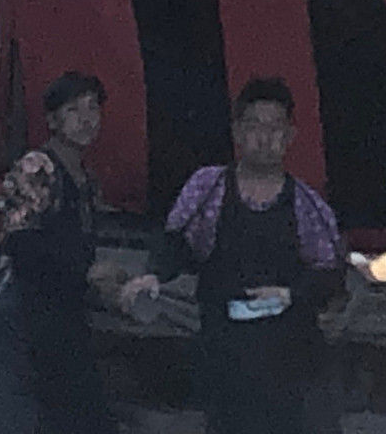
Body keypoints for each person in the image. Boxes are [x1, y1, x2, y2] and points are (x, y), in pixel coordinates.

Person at [122, 77, 344, 434]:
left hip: (287, 354)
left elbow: (330, 274)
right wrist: (153, 275)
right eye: (255, 125)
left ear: (290, 136)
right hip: (223, 346)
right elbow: (176, 243)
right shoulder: (207, 187)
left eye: (275, 128)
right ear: (238, 132)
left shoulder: (307, 204)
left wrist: (290, 295)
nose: (264, 137)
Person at [0, 71, 116, 434]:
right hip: (26, 318)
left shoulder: (87, 179)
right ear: (52, 120)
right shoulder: (38, 168)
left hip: (66, 315)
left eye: (93, 108)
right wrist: (83, 272)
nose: (86, 119)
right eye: (73, 110)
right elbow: (20, 242)